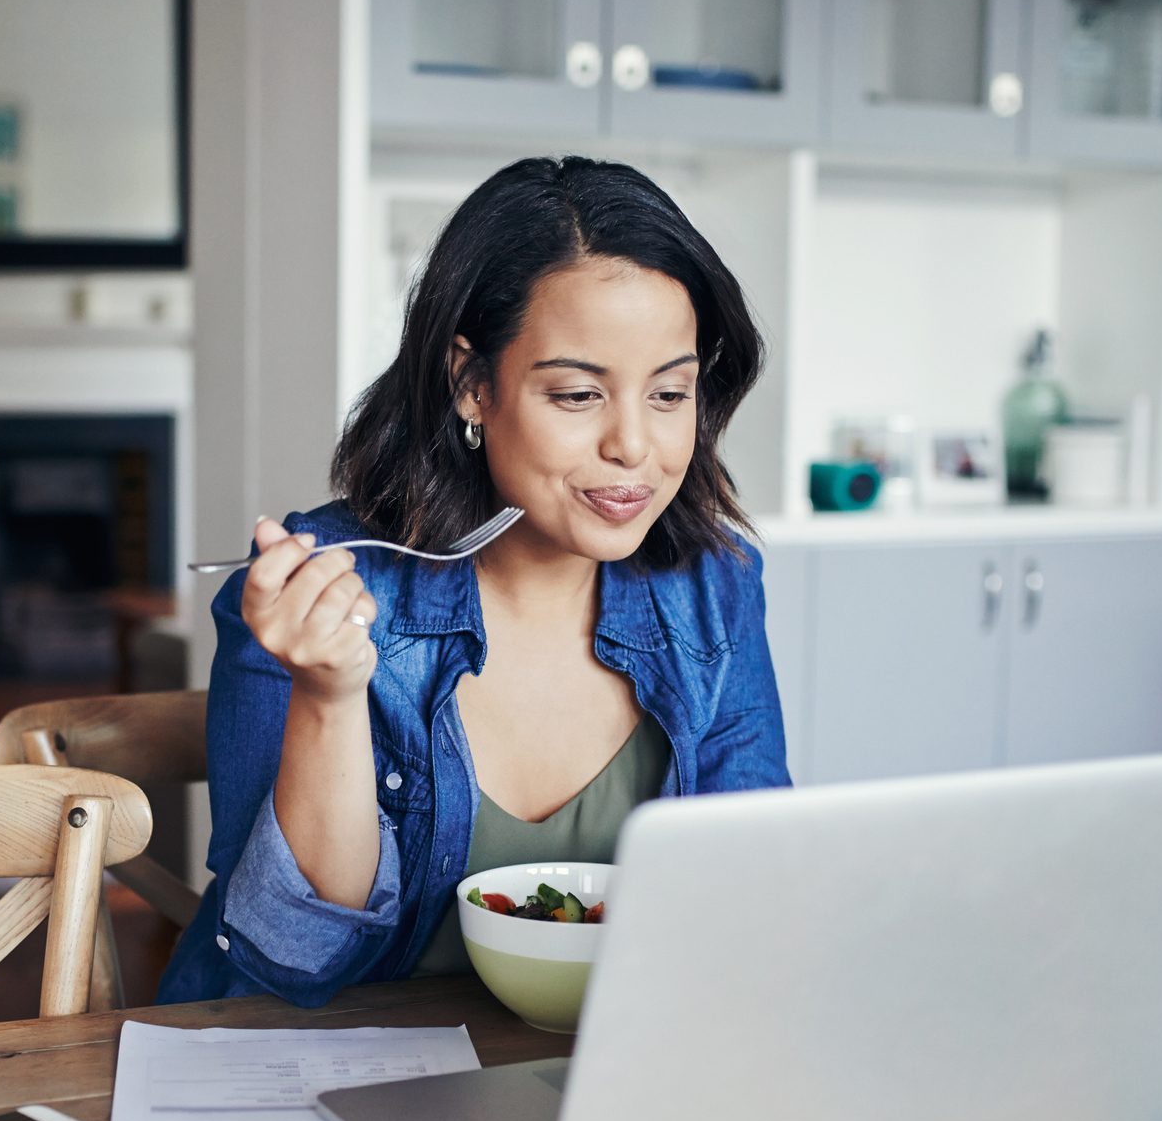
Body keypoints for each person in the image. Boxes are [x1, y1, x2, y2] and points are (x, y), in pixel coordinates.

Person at [158, 156, 789, 1007]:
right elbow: (295, 959)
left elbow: (749, 893)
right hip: (321, 1064)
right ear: (471, 384)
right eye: (577, 395)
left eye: (670, 393)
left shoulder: (713, 588)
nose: (634, 446)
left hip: (585, 1063)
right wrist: (328, 695)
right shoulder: (321, 592)